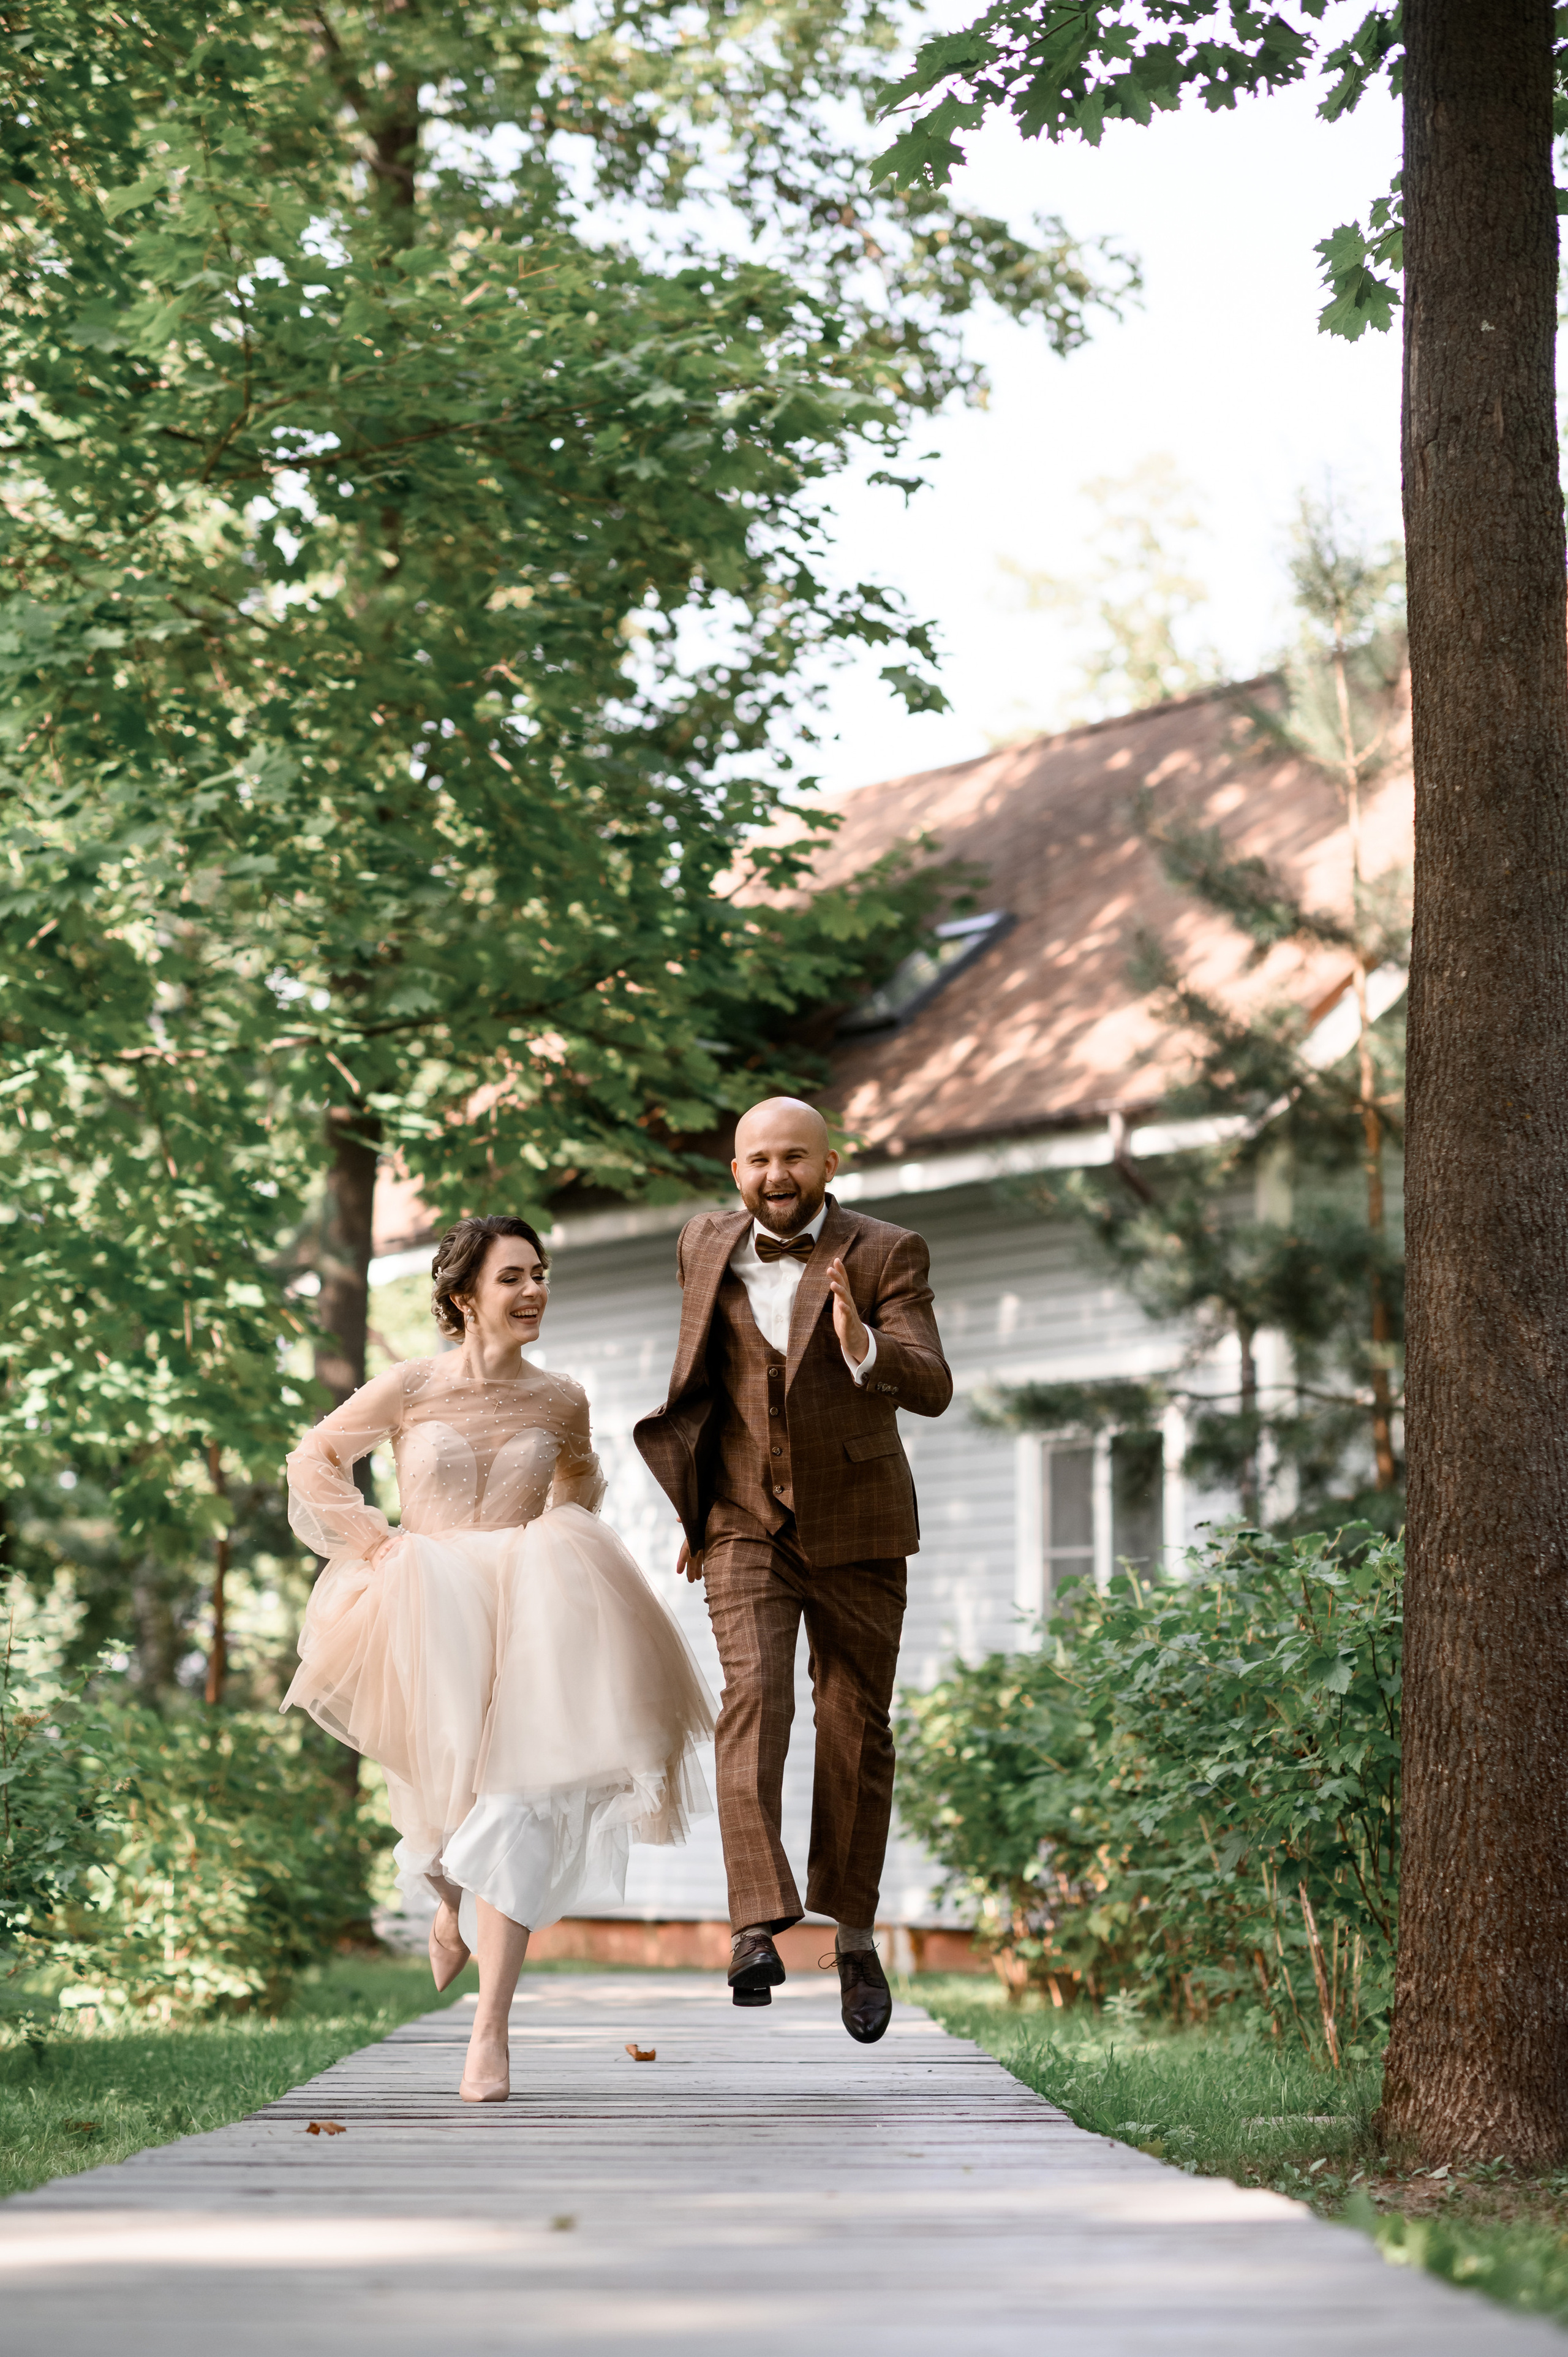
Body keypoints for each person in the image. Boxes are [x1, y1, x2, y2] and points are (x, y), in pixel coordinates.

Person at [281, 1214, 716, 2103]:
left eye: (541, 1275)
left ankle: (490, 2031)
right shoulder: (407, 1388)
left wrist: (560, 1549)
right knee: (446, 1824)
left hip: (533, 1609)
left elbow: (580, 1482)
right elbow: (316, 1456)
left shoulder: (561, 1397)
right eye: (513, 1277)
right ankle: (447, 1902)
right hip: (428, 1603)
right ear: (462, 1296)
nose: (533, 1292)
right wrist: (374, 1542)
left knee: (519, 1801)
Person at [634, 1096, 952, 2043]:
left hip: (860, 1525)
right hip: (741, 1522)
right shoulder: (701, 1245)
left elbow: (931, 1384)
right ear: (736, 1172)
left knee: (856, 1724)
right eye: (758, 1160)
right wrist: (697, 1510)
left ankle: (853, 1937)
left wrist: (863, 1345)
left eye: (796, 1160)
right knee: (755, 1697)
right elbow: (705, 1390)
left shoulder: (889, 1252)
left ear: (830, 1164)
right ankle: (753, 1923)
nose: (777, 1177)